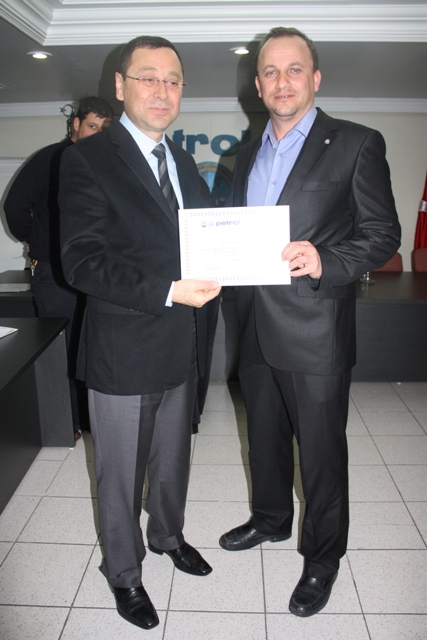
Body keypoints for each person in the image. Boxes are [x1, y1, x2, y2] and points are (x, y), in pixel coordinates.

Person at [219, 27, 401, 617]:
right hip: (253, 324)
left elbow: (383, 234)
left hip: (316, 329)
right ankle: (270, 519)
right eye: (270, 72)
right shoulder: (242, 155)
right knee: (263, 437)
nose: (283, 81)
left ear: (315, 78)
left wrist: (327, 259)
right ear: (258, 84)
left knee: (321, 454)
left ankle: (323, 558)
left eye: (294, 69)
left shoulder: (355, 142)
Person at [58, 36, 221, 631]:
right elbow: (82, 262)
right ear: (120, 85)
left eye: (173, 80)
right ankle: (123, 573)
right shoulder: (87, 158)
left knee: (173, 459)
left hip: (183, 343)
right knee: (121, 474)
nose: (162, 90)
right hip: (123, 348)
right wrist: (168, 288)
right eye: (148, 77)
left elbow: (203, 236)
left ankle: (168, 536)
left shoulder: (182, 161)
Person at [4, 96, 114, 439]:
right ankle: (66, 423)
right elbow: (14, 208)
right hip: (54, 274)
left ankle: (92, 420)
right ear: (76, 124)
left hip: (95, 272)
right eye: (92, 126)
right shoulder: (49, 159)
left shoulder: (106, 165)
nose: (97, 134)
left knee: (93, 346)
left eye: (104, 129)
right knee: (60, 348)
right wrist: (39, 242)